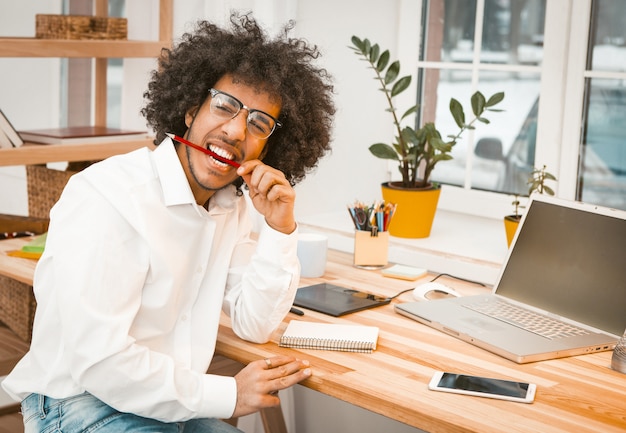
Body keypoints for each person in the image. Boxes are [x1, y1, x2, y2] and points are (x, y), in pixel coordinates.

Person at [3, 12, 335, 432]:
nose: (235, 130)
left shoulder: (232, 207)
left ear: (270, 147)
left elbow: (254, 323)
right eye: (225, 106)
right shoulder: (107, 196)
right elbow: (100, 362)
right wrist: (229, 394)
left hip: (171, 405)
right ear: (190, 110)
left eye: (258, 123)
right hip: (80, 403)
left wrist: (280, 228)